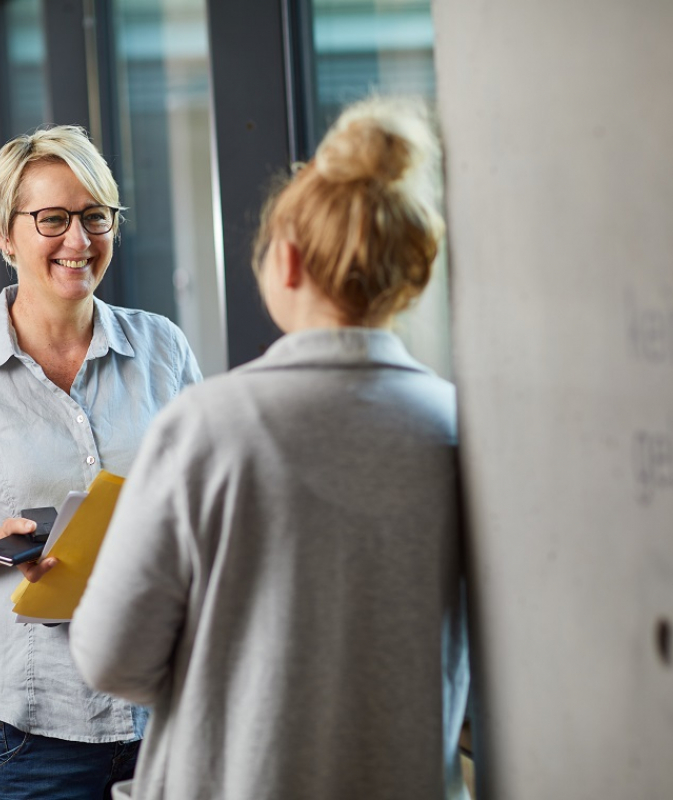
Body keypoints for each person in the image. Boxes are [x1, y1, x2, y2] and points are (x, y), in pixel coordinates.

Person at [69, 96, 470, 800]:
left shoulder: (208, 427)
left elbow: (111, 658)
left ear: (285, 261)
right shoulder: (456, 427)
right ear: (411, 276)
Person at [0, 124, 202, 800]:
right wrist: (2, 545)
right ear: (4, 233)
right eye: (53, 219)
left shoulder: (164, 350)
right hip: (33, 730)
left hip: (166, 709)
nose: (80, 241)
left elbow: (201, 498)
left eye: (96, 217)